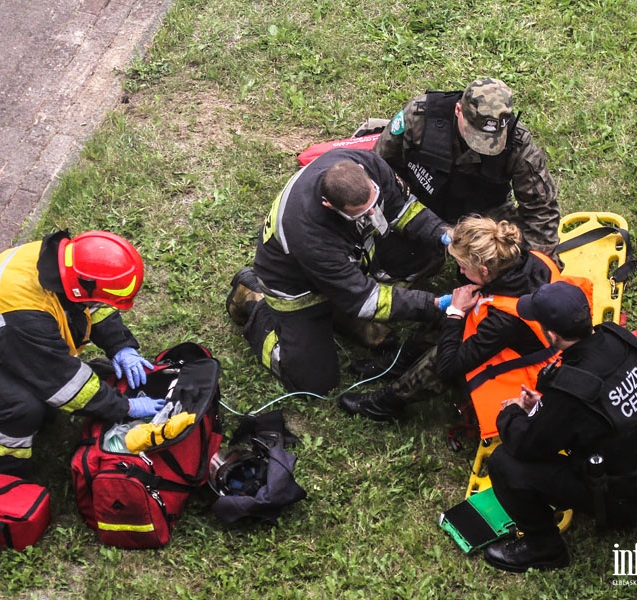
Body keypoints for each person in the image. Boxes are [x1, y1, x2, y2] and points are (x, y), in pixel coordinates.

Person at [0, 230, 166, 479]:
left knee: (39, 394)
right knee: (23, 407)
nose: (102, 307)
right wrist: (125, 406)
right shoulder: (24, 319)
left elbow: (93, 307)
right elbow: (62, 382)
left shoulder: (66, 262)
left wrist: (121, 346)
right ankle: (2, 473)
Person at [225, 148, 453, 396]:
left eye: (375, 203)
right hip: (296, 287)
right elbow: (366, 300)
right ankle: (256, 303)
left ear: (364, 174)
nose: (375, 215)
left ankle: (339, 313)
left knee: (426, 253)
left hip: (346, 259)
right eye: (362, 214)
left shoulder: (368, 162)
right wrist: (436, 304)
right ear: (329, 205)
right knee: (313, 382)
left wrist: (445, 234)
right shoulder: (309, 233)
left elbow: (404, 209)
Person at [482, 281, 637, 572]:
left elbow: (527, 444)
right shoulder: (618, 338)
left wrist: (513, 413)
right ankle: (626, 507)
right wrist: (547, 409)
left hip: (617, 493)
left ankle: (543, 547)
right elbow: (596, 412)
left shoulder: (572, 392)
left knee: (505, 463)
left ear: (553, 334)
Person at [339, 216, 574, 422]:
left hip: (524, 359)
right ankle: (398, 363)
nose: (460, 272)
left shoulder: (505, 319)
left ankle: (386, 403)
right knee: (457, 306)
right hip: (513, 330)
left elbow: (449, 367)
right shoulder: (520, 258)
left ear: (483, 270)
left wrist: (455, 314)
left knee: (442, 352)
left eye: (462, 266)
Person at [371, 78, 561, 278]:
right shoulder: (420, 117)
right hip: (419, 205)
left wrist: (536, 265)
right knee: (399, 260)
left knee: (510, 260)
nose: (481, 145)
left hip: (482, 215)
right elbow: (378, 166)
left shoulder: (518, 144)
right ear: (458, 110)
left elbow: (542, 208)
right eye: (475, 134)